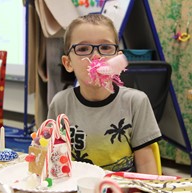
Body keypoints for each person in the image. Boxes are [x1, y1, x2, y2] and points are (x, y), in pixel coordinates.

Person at [47, 14, 162, 174]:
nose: (95, 56)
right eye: (82, 49)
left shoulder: (136, 102)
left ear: (118, 58)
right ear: (68, 63)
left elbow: (146, 163)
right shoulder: (60, 103)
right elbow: (54, 158)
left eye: (106, 48)